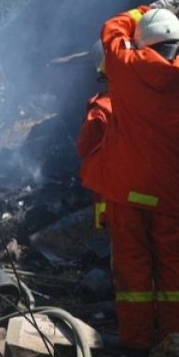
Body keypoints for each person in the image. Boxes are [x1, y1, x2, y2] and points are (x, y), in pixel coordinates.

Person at [81, 0, 179, 350]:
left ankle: (137, 342)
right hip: (169, 190)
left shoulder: (126, 65)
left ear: (144, 42)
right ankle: (178, 341)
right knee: (173, 263)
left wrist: (147, 9)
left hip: (126, 187)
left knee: (132, 265)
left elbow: (111, 29)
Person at [77, 40, 112, 230]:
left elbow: (84, 147)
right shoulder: (153, 100)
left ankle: (103, 231)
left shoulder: (102, 109)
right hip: (161, 193)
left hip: (117, 195)